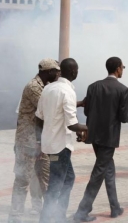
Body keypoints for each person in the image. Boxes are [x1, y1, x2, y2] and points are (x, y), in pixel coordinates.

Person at [73, 57, 128, 222]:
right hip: (109, 137)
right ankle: (82, 211)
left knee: (107, 170)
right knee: (99, 172)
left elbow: (87, 110)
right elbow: (123, 116)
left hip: (94, 135)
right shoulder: (122, 90)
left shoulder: (93, 86)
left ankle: (115, 207)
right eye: (122, 67)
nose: (122, 70)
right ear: (118, 69)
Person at [8, 58, 60, 223]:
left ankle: (49, 215)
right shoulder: (33, 87)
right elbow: (48, 110)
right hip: (27, 143)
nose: (58, 74)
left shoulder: (46, 86)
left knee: (46, 180)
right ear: (47, 71)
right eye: (56, 71)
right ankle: (15, 217)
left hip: (41, 142)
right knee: (23, 179)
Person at [36, 58, 88, 223]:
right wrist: (89, 128)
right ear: (73, 72)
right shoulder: (67, 91)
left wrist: (40, 139)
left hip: (50, 143)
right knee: (56, 184)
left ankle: (59, 215)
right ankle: (46, 218)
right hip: (60, 146)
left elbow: (39, 118)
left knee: (68, 178)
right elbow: (72, 124)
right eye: (77, 70)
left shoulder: (48, 88)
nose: (77, 72)